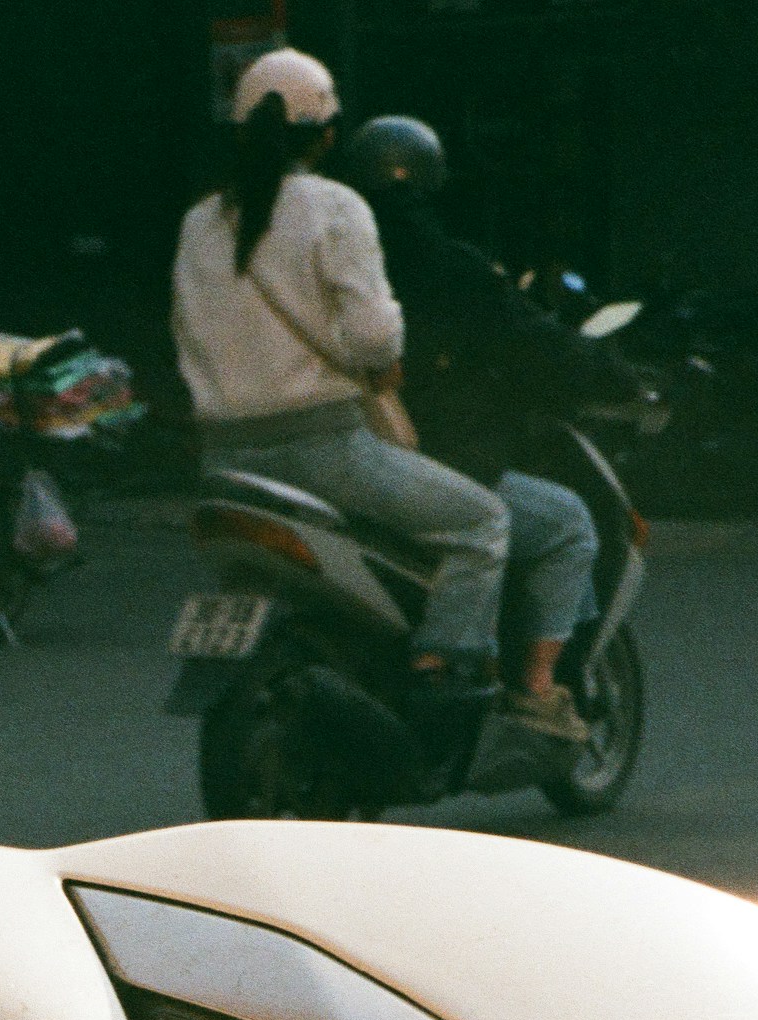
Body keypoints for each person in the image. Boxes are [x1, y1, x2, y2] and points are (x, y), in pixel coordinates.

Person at [172, 49, 514, 718]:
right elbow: (374, 337)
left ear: (240, 130)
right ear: (328, 136)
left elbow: (188, 332)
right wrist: (380, 362)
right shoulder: (335, 206)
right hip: (325, 454)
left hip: (221, 462)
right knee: (483, 524)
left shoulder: (198, 223)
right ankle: (439, 668)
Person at [337, 115, 643, 739]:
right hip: (426, 459)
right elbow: (530, 341)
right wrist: (617, 378)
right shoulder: (446, 267)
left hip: (331, 450)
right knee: (565, 523)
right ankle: (529, 688)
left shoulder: (331, 262)